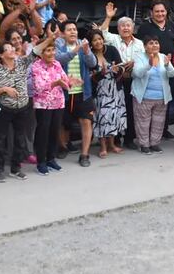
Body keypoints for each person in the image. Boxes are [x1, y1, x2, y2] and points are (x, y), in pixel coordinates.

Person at [0, 40, 38, 182]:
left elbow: (35, 52)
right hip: (5, 108)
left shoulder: (21, 63)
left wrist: (50, 39)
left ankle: (16, 169)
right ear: (1, 55)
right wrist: (4, 89)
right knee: (0, 139)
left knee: (20, 138)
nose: (12, 50)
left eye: (12, 48)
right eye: (8, 49)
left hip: (22, 107)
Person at [99, 2, 144, 148]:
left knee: (131, 111)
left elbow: (143, 60)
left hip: (133, 80)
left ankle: (130, 139)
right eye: (122, 26)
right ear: (118, 29)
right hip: (116, 80)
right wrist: (108, 17)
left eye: (128, 25)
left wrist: (134, 62)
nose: (125, 28)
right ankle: (116, 138)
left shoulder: (140, 44)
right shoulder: (114, 39)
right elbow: (102, 33)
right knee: (117, 109)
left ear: (133, 28)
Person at [55, 21, 97, 166]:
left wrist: (86, 52)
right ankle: (62, 146)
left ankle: (84, 154)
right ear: (62, 33)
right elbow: (59, 60)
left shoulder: (83, 45)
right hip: (64, 92)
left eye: (74, 29)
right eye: (69, 30)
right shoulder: (58, 46)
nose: (73, 32)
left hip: (83, 92)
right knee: (62, 123)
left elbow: (92, 63)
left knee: (86, 122)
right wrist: (75, 50)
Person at [135, 0, 174, 139]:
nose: (160, 14)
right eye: (157, 11)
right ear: (151, 13)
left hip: (165, 68)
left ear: (166, 12)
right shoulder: (144, 27)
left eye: (162, 11)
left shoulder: (172, 26)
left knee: (165, 101)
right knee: (146, 108)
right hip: (149, 69)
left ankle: (163, 131)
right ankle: (144, 137)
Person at [130, 36, 174, 154]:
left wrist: (167, 65)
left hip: (161, 97)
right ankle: (144, 145)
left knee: (158, 122)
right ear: (145, 46)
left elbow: (172, 74)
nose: (154, 45)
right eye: (151, 43)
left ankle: (155, 143)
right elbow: (136, 74)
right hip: (144, 97)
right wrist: (148, 65)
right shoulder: (139, 57)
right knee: (143, 122)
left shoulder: (163, 57)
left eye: (156, 43)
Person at [30, 40, 68, 175]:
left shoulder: (57, 64)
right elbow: (39, 87)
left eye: (53, 50)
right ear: (40, 53)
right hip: (43, 105)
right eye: (48, 50)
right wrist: (55, 83)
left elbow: (64, 79)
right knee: (43, 132)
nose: (52, 53)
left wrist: (71, 82)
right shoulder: (35, 66)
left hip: (58, 102)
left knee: (54, 131)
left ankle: (51, 158)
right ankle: (41, 162)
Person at [88, 29, 127, 158]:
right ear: (91, 43)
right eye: (94, 40)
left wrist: (118, 70)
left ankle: (112, 144)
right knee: (102, 118)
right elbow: (91, 77)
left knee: (113, 116)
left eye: (99, 39)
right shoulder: (90, 55)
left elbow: (121, 67)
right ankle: (103, 147)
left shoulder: (111, 49)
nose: (98, 42)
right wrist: (101, 73)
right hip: (100, 91)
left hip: (114, 89)